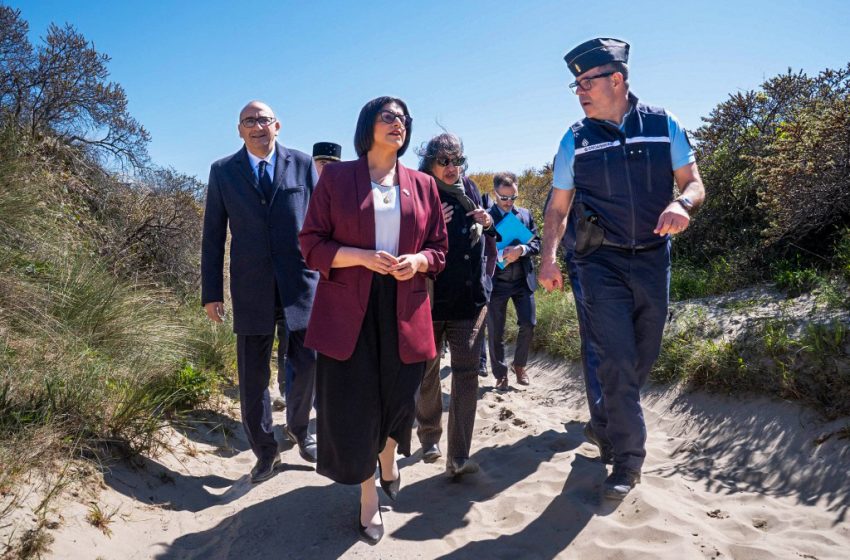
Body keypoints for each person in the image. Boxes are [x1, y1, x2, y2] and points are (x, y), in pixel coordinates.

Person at [539, 38, 706, 500]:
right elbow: (557, 208)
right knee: (613, 356)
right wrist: (549, 258)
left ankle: (602, 422)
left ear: (617, 79)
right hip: (598, 262)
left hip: (653, 258)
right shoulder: (575, 138)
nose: (579, 92)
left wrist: (682, 203)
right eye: (574, 85)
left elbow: (693, 183)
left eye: (586, 82)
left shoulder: (662, 124)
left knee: (640, 356)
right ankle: (626, 460)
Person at [299, 96, 447, 544]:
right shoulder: (338, 177)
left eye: (403, 119)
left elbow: (439, 249)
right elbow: (311, 244)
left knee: (400, 395)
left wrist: (418, 262)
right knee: (357, 404)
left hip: (404, 305)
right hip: (349, 309)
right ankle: (368, 496)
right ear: (368, 126)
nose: (397, 123)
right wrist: (361, 257)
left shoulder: (423, 184)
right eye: (388, 117)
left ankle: (388, 454)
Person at [201, 100, 319, 482]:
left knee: (308, 365)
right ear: (239, 130)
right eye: (249, 121)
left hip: (301, 283)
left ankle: (300, 431)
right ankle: (265, 452)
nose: (257, 126)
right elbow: (213, 237)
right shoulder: (222, 172)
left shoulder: (302, 164)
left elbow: (321, 224)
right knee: (253, 378)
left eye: (263, 120)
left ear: (278, 126)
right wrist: (211, 292)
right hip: (251, 287)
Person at [414, 133, 496, 476]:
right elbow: (403, 240)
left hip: (470, 298)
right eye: (444, 161)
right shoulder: (417, 190)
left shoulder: (472, 188)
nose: (451, 168)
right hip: (430, 301)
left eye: (457, 160)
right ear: (429, 162)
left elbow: (493, 233)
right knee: (427, 373)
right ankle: (430, 435)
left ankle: (458, 457)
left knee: (465, 377)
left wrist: (488, 221)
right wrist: (430, 223)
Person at [272, 141, 342, 412]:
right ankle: (290, 395)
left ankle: (314, 398)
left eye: (333, 164)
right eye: (323, 163)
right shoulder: (298, 188)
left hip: (330, 279)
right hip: (296, 279)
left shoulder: (342, 195)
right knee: (290, 338)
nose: (327, 169)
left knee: (321, 343)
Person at [487, 173, 540, 391]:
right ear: (495, 194)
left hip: (522, 280)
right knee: (496, 331)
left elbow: (537, 243)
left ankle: (520, 366)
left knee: (529, 323)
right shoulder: (486, 218)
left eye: (513, 198)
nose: (509, 203)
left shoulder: (525, 215)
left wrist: (522, 249)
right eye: (504, 198)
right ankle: (500, 374)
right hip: (496, 282)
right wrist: (500, 255)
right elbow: (478, 250)